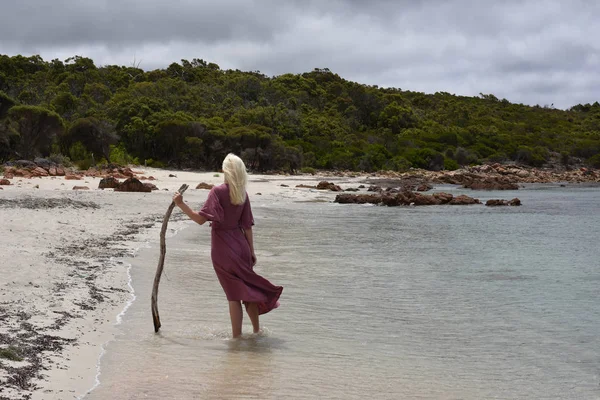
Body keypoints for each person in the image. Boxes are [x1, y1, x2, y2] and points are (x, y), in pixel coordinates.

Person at [172, 153, 283, 338]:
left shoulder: (217, 191)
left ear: (225, 170)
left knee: (234, 296)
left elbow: (200, 219)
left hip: (223, 248)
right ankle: (256, 332)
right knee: (249, 290)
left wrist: (181, 204)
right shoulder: (242, 194)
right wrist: (252, 251)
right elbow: (247, 225)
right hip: (242, 247)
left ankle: (237, 340)